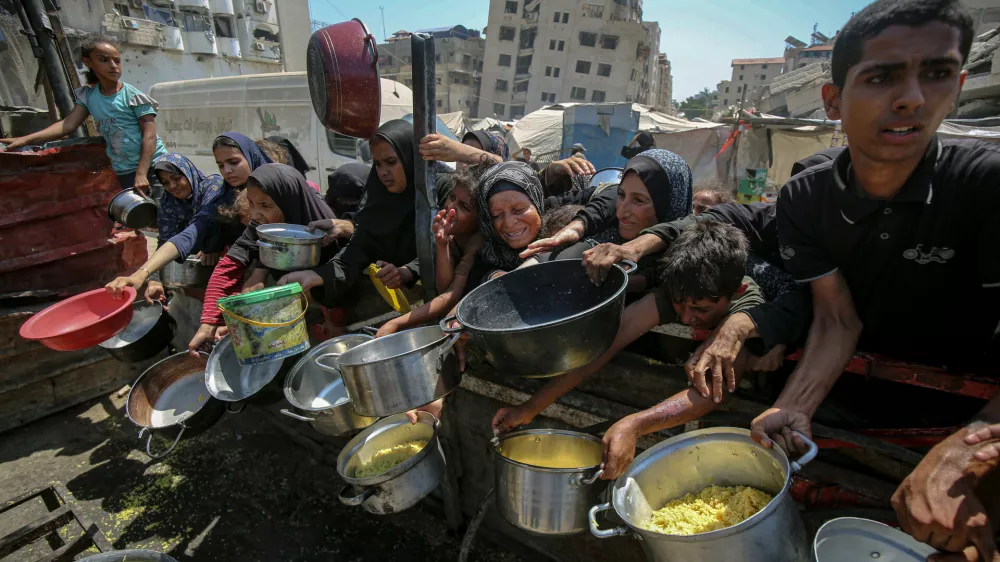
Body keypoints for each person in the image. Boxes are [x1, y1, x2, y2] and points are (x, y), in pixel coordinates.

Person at [744, 1, 999, 558]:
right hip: (854, 407)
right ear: (834, 101)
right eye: (881, 77)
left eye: (934, 74)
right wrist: (797, 404)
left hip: (965, 416)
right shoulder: (804, 199)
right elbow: (837, 318)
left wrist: (968, 452)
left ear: (957, 87)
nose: (910, 97)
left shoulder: (985, 188)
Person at [492, 222, 792, 480]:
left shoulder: (747, 300)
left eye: (701, 309)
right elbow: (605, 346)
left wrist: (634, 425)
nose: (687, 318)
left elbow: (714, 389)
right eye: (680, 306)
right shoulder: (682, 288)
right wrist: (530, 407)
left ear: (734, 293)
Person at [277, 120, 434, 310]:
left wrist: (409, 271)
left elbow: (449, 244)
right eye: (377, 164)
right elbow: (358, 249)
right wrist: (317, 276)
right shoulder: (379, 197)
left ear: (411, 157)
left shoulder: (437, 190)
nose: (383, 172)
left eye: (391, 162)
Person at [187, 164, 338, 353]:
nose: (256, 214)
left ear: (287, 201)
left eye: (265, 205)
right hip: (287, 313)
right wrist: (208, 323)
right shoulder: (260, 225)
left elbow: (339, 283)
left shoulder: (326, 230)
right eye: (251, 203)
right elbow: (229, 266)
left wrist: (253, 322)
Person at [0, 35, 167, 195]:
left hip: (151, 167)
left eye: (117, 61)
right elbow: (68, 125)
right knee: (142, 215)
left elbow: (150, 136)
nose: (113, 66)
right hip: (125, 170)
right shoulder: (89, 96)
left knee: (162, 216)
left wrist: (141, 173)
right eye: (104, 60)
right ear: (88, 62)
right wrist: (25, 140)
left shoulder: (132, 96)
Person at [519, 149, 695, 292]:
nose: (622, 212)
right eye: (621, 195)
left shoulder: (692, 256)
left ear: (671, 204)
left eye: (639, 200)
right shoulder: (604, 236)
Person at [105, 152, 236, 303]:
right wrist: (154, 279)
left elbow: (207, 223)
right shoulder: (169, 203)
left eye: (176, 178)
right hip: (197, 258)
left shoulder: (213, 186)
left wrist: (213, 246)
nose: (172, 186)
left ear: (188, 172)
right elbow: (166, 239)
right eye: (166, 182)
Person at [375, 166, 485, 337]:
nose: (451, 208)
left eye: (463, 206)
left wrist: (396, 322)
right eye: (452, 197)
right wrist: (442, 244)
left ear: (482, 218)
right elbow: (444, 287)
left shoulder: (478, 241)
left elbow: (450, 294)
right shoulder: (455, 236)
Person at [212, 132, 274, 225]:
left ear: (251, 158)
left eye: (234, 162)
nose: (227, 170)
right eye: (221, 165)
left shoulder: (273, 191)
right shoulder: (223, 196)